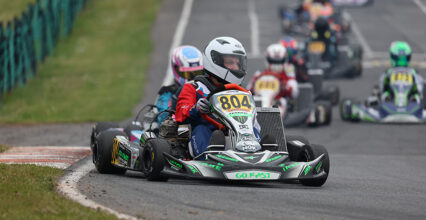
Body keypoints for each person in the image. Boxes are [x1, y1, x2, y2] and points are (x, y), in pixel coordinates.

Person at [175, 36, 260, 157]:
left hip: (237, 135)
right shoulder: (194, 87)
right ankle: (208, 159)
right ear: (214, 61)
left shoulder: (242, 92)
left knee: (254, 132)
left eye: (238, 63)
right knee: (202, 130)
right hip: (208, 135)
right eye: (230, 62)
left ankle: (259, 156)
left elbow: (254, 124)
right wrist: (196, 109)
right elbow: (180, 114)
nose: (236, 68)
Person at [155, 45, 203, 123]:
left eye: (197, 73)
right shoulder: (167, 93)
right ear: (176, 69)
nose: (193, 79)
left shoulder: (205, 90)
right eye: (188, 74)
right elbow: (164, 119)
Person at [248, 43, 299, 116]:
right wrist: (254, 86)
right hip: (259, 100)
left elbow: (295, 92)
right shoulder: (259, 74)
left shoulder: (288, 75)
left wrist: (285, 86)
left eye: (279, 61)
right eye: (273, 61)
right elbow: (248, 90)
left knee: (282, 101)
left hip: (278, 101)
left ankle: (274, 120)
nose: (276, 64)